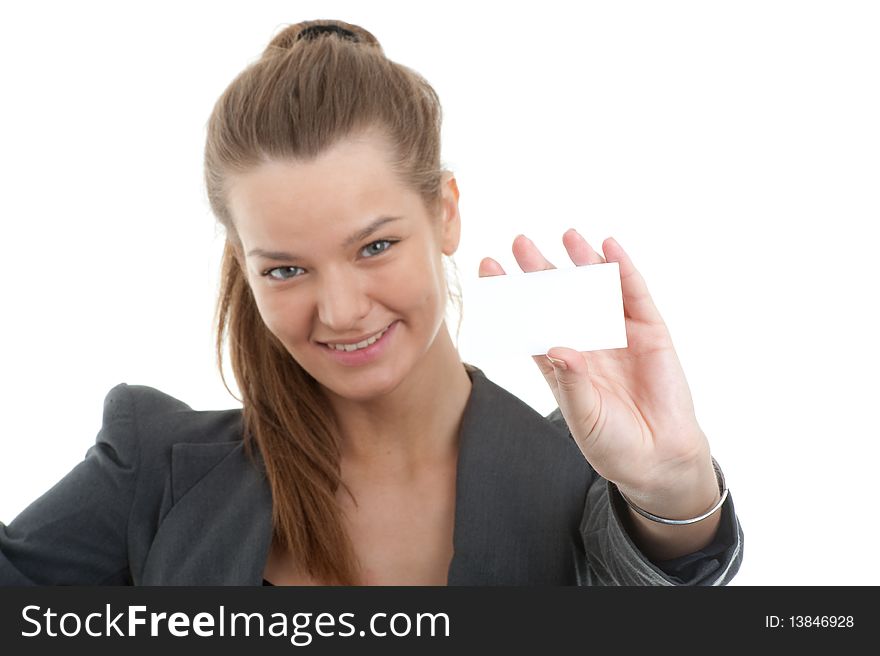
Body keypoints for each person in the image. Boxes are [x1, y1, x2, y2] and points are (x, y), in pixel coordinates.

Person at [0, 19, 743, 586]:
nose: (343, 310)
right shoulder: (153, 465)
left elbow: (657, 582)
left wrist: (674, 483)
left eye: (375, 247)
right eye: (286, 270)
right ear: (244, 267)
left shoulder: (582, 479)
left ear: (445, 213)